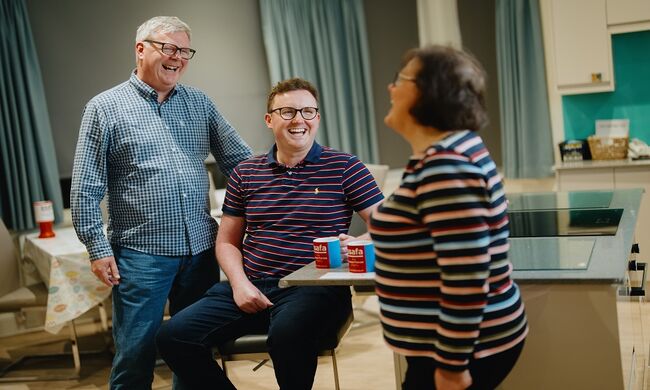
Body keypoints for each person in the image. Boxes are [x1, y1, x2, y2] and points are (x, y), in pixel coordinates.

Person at [156, 77, 384, 389]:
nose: (298, 120)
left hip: (314, 287)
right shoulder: (246, 173)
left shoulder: (344, 167)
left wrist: (358, 244)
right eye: (287, 111)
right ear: (269, 119)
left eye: (307, 111)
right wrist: (239, 284)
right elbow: (226, 242)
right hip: (252, 286)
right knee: (172, 335)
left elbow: (392, 227)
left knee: (287, 335)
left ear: (317, 118)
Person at [70, 16, 252, 389]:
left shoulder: (199, 103)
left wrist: (284, 186)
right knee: (135, 355)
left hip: (201, 249)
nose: (178, 58)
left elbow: (242, 162)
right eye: (169, 48)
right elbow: (85, 188)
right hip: (141, 255)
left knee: (193, 350)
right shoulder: (105, 107)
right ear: (141, 49)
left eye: (185, 51)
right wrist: (96, 247)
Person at [369, 45, 528, 390]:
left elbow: (467, 275)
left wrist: (452, 366)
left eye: (400, 79)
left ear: (429, 91)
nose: (390, 88)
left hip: (462, 351)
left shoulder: (445, 165)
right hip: (454, 345)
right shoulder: (445, 153)